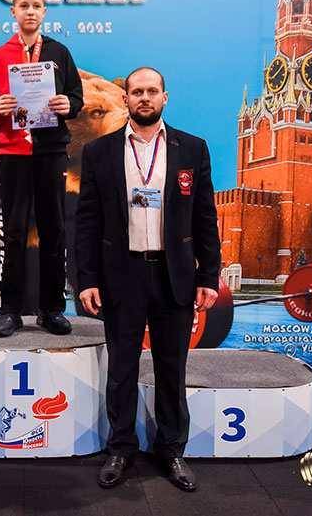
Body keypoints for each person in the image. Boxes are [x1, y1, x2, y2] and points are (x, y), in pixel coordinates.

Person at [74, 67, 220, 491]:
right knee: (121, 369)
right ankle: (121, 449)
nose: (144, 98)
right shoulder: (100, 151)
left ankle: (171, 450)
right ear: (126, 99)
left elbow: (205, 218)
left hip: (175, 275)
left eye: (152, 91)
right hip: (121, 274)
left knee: (171, 369)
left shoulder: (192, 148)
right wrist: (87, 279)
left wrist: (209, 276)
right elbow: (87, 221)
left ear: (164, 98)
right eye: (136, 91)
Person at [0, 0, 84, 337]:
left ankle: (51, 309)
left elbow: (76, 97)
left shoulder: (59, 52)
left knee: (55, 230)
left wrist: (68, 105)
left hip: (51, 152)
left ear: (44, 11)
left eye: (36, 6)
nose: (30, 11)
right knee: (14, 232)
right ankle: (10, 310)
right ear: (13, 11)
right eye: (23, 6)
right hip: (13, 154)